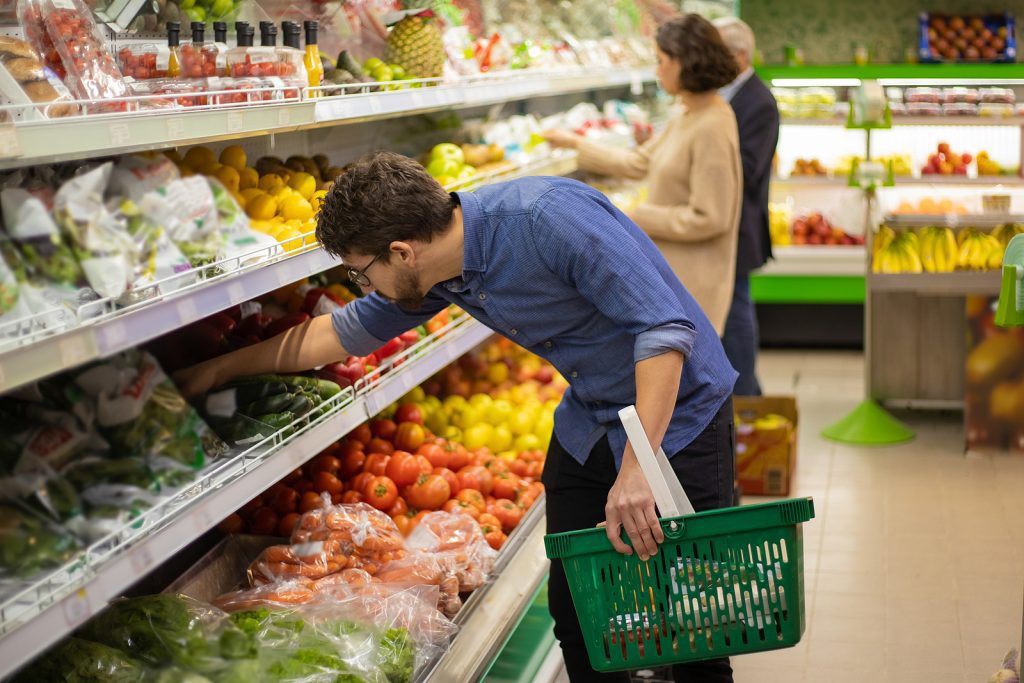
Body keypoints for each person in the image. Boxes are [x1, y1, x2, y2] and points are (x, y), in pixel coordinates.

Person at [175, 152, 737, 682]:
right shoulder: (440, 268)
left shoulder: (548, 219)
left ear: (401, 252)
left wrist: (639, 471)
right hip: (592, 416)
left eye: (361, 274)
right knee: (581, 618)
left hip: (677, 414)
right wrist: (217, 370)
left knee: (695, 621)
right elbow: (341, 333)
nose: (363, 288)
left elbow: (663, 333)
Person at [543, 14, 742, 339]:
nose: (657, 69)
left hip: (694, 286)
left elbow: (711, 217)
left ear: (686, 62)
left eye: (661, 61)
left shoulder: (712, 125)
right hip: (672, 275)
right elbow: (639, 163)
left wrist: (638, 216)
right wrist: (577, 144)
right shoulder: (688, 113)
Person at [713, 16, 780, 397]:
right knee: (732, 307)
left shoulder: (758, 101)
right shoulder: (730, 95)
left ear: (738, 55)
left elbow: (751, 169)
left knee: (736, 310)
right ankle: (739, 392)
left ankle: (747, 395)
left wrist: (705, 159)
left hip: (740, 226)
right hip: (728, 223)